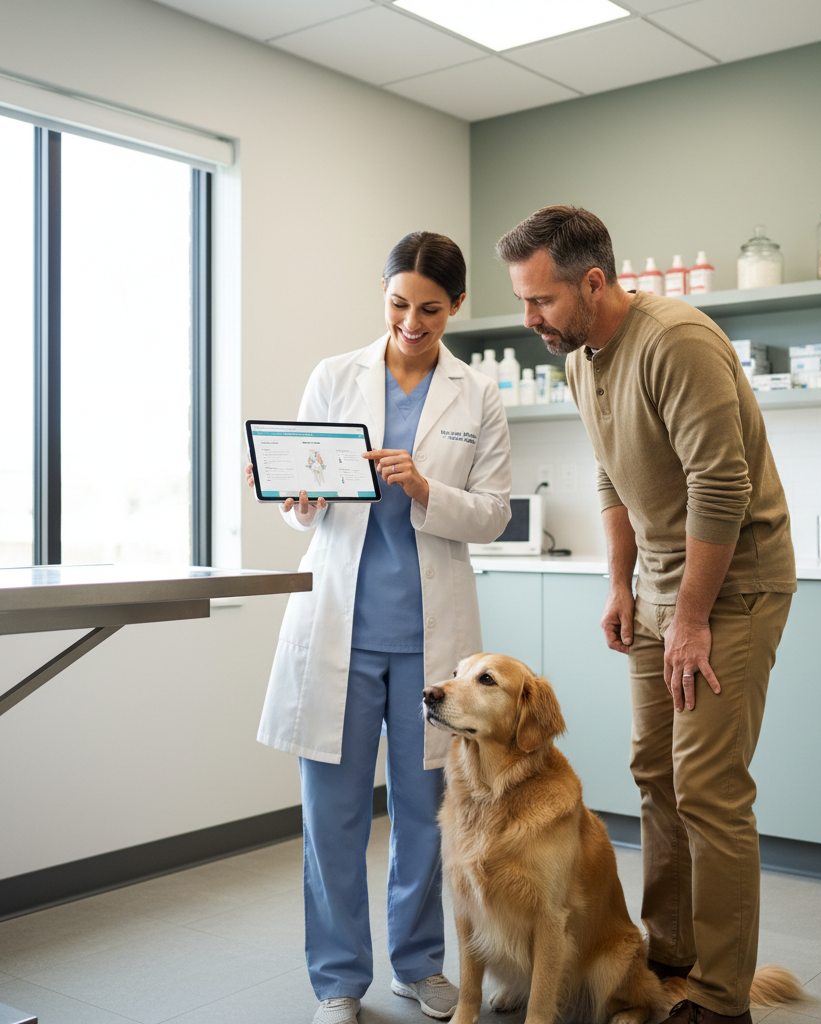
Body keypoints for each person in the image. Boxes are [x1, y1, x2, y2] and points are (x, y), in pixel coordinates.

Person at [496, 207, 796, 1024]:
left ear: (593, 282)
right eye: (523, 301)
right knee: (655, 775)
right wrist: (621, 584)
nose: (529, 319)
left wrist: (690, 618)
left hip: (731, 587)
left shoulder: (676, 341)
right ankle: (671, 957)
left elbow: (720, 484)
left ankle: (723, 1000)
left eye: (541, 300)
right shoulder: (579, 357)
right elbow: (610, 474)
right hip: (660, 586)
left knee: (708, 788)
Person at [250, 232, 512, 1024]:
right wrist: (299, 500)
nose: (411, 322)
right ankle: (337, 980)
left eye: (430, 309)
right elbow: (303, 507)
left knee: (429, 815)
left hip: (432, 643)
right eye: (399, 304)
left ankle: (419, 965)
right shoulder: (334, 377)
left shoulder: (478, 394)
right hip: (342, 627)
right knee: (332, 816)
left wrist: (426, 488)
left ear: (456, 305)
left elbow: (493, 514)